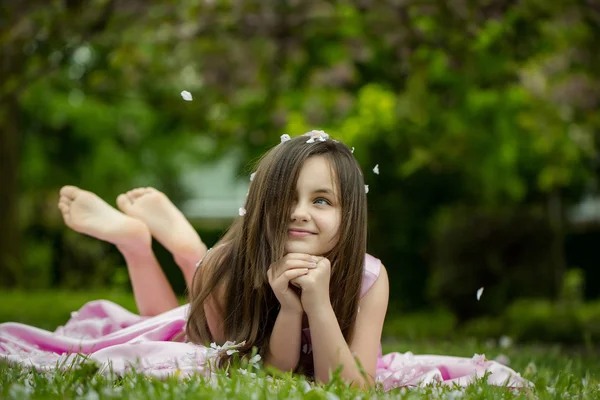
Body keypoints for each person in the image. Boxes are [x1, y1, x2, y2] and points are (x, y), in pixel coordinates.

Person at [0, 131, 529, 389]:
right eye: (286, 199)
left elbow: (350, 389)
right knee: (165, 332)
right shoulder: (228, 268)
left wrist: (315, 305)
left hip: (241, 282)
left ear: (350, 215)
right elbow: (267, 372)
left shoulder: (369, 277)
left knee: (199, 280)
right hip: (221, 308)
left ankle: (178, 246)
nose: (299, 214)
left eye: (321, 200)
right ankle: (143, 245)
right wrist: (286, 308)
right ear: (261, 206)